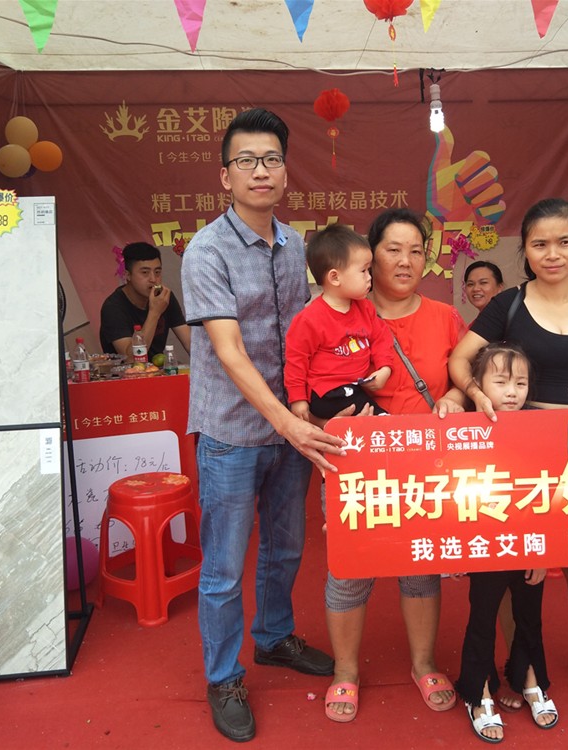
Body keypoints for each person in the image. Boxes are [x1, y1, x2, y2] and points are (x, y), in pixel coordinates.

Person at [180, 108, 344, 744]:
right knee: (224, 566)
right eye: (246, 160)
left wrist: (314, 406)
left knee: (286, 546)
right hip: (231, 433)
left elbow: (306, 333)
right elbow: (229, 351)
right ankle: (223, 676)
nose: (260, 171)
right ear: (225, 176)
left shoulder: (295, 244)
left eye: (271, 159)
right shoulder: (206, 251)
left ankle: (274, 638)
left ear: (285, 171)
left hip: (291, 429)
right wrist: (287, 422)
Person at [448, 198, 568, 713]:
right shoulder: (509, 304)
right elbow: (461, 359)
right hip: (518, 452)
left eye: (564, 242)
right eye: (540, 244)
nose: (553, 254)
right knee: (514, 562)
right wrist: (475, 396)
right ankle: (519, 666)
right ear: (524, 250)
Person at [323, 207, 467, 723]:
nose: (405, 261)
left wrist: (453, 397)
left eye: (416, 251)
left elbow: (467, 376)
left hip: (426, 464)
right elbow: (312, 383)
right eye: (393, 250)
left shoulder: (445, 316)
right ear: (370, 256)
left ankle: (423, 663)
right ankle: (345, 670)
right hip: (355, 463)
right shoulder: (335, 315)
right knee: (350, 568)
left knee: (420, 567)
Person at [456, 342, 557, 743]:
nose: (512, 392)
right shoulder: (463, 429)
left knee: (530, 611)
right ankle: (477, 691)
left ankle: (530, 677)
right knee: (482, 615)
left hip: (531, 540)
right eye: (500, 382)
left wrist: (544, 551)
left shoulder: (541, 427)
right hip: (485, 542)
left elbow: (553, 494)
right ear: (478, 385)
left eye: (520, 383)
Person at [284, 224, 393, 420]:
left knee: (370, 418)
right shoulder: (309, 319)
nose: (369, 277)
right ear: (335, 277)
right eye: (363, 271)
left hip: (355, 388)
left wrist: (385, 368)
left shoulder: (365, 308)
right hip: (326, 393)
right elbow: (296, 361)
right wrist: (298, 399)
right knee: (380, 419)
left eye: (369, 270)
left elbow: (381, 338)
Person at [100, 242, 191, 360]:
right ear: (127, 275)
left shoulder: (164, 297)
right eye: (145, 272)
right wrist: (155, 312)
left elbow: (190, 344)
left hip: (158, 368)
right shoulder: (113, 307)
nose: (153, 279)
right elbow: (131, 359)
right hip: (127, 371)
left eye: (157, 272)